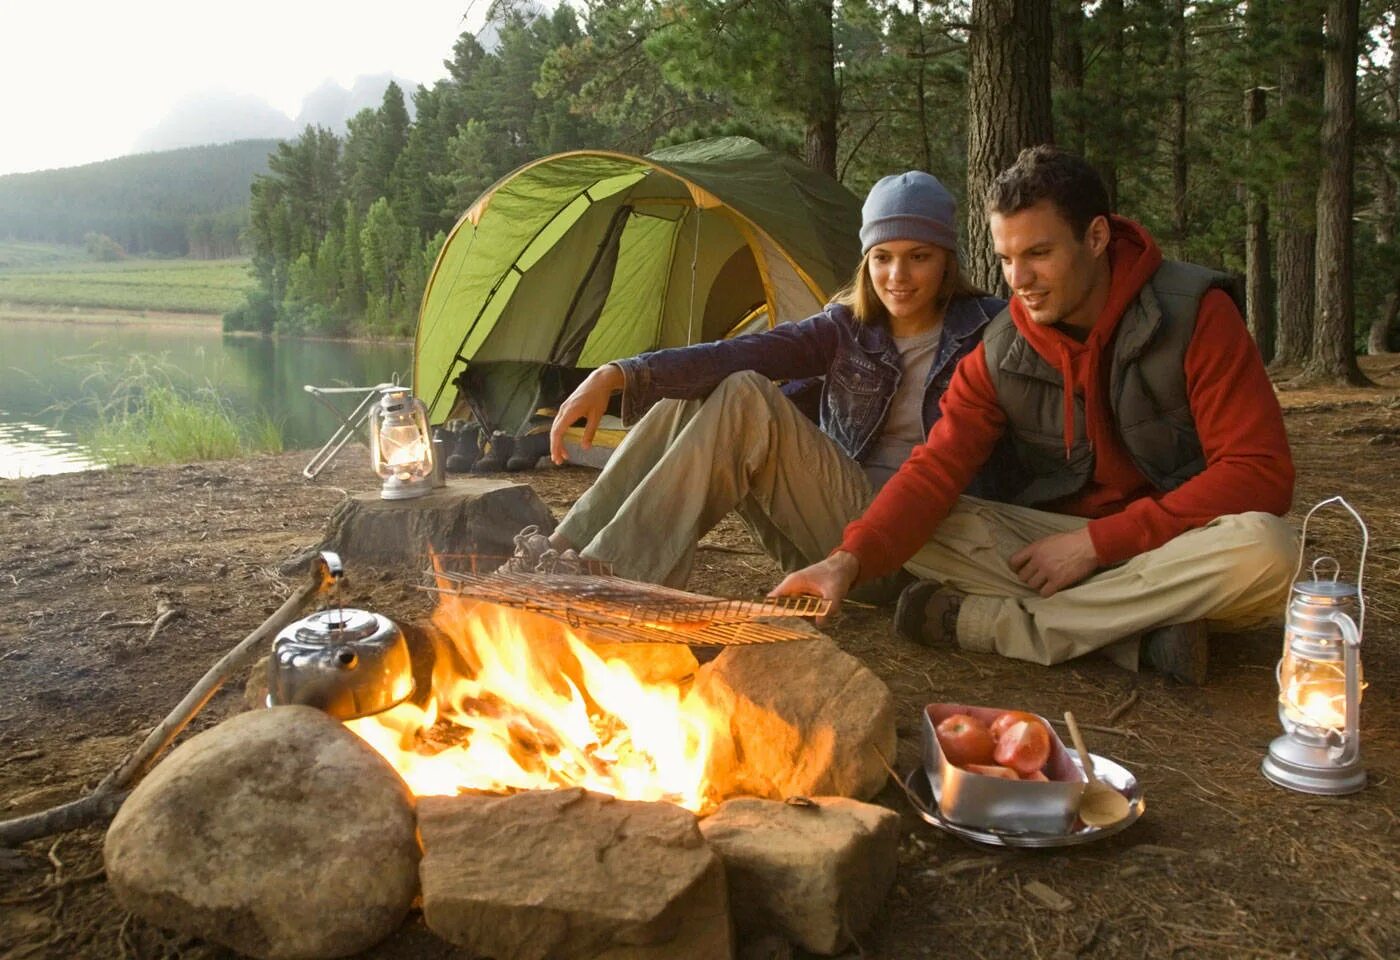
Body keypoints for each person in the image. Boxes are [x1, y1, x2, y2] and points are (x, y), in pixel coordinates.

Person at [772, 146, 1297, 685]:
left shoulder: (1194, 314)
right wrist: (847, 561)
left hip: (1173, 541)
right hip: (1050, 546)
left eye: (1039, 253)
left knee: (1269, 550)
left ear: (1095, 238)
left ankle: (997, 625)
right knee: (922, 525)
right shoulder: (1002, 348)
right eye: (1005, 259)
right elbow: (934, 470)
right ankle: (1143, 623)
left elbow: (1260, 472)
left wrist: (1098, 545)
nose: (1019, 279)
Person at [539, 171, 1017, 590]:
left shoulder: (989, 330)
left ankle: (608, 579)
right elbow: (743, 351)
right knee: (708, 386)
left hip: (911, 550)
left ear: (946, 260)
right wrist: (620, 372)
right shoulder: (846, 328)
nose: (898, 275)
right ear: (866, 262)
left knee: (744, 394)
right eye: (882, 257)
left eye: (918, 257)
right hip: (823, 538)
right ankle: (561, 547)